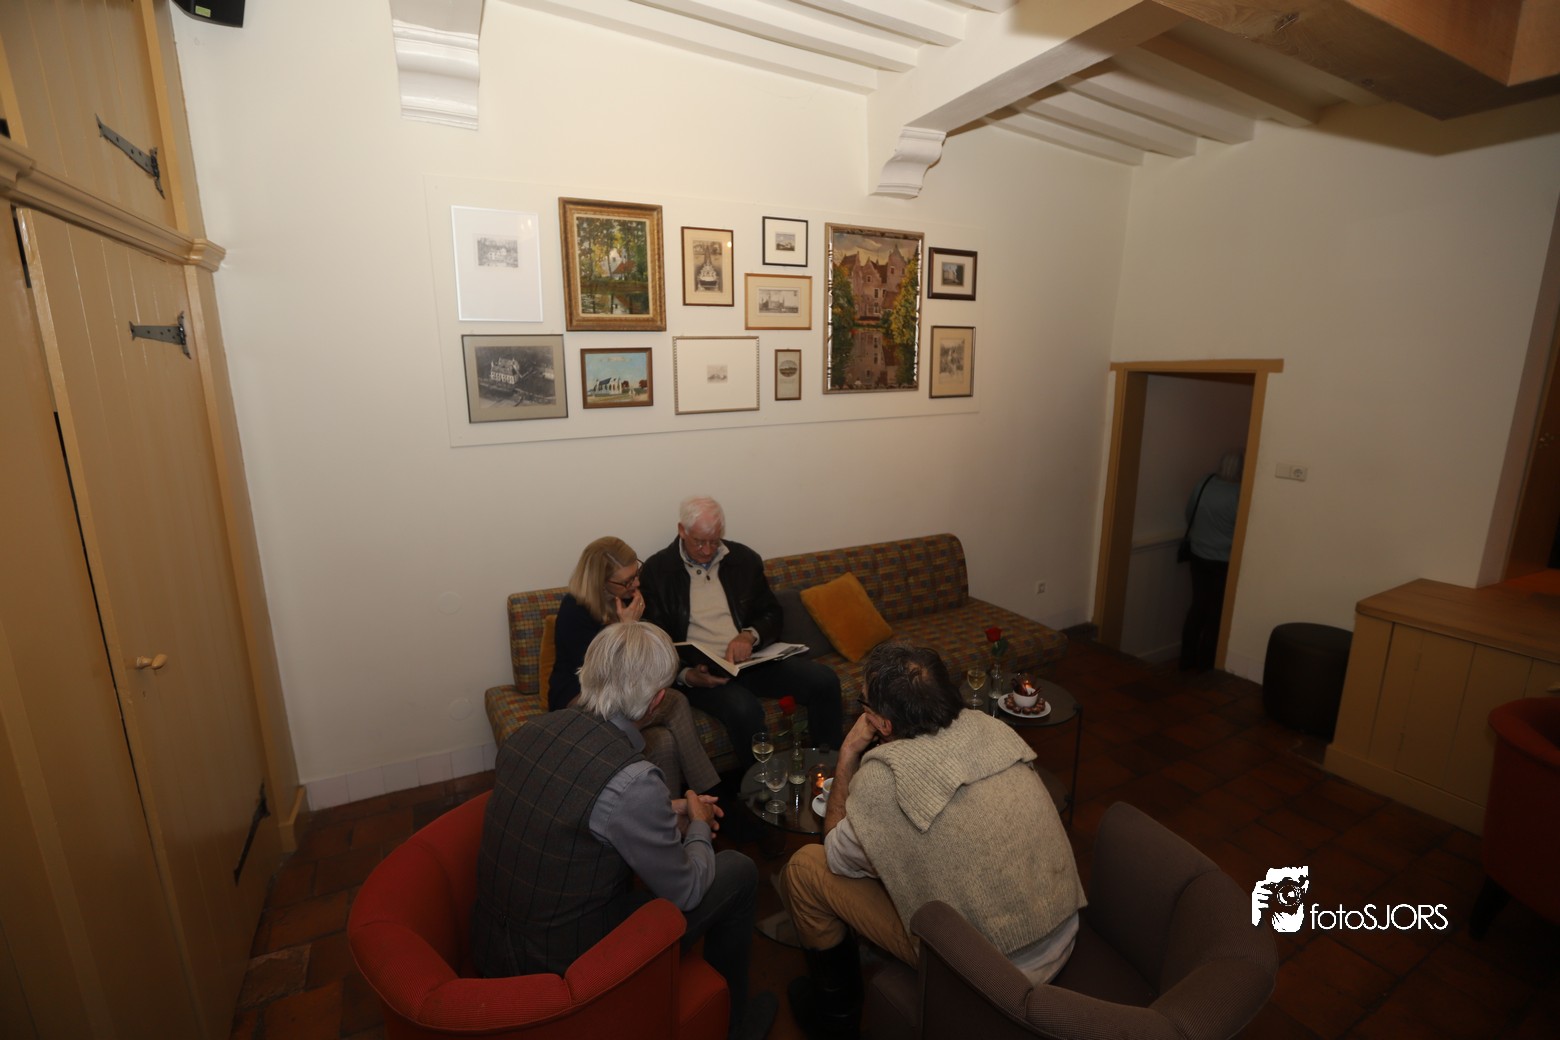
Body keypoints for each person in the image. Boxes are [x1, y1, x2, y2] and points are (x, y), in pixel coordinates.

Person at [472, 621, 777, 1040]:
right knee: (738, 872)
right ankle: (733, 1027)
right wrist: (698, 825)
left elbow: (579, 810)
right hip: (568, 969)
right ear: (656, 700)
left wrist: (666, 810)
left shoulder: (528, 733)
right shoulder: (633, 780)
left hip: (494, 947)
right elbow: (686, 892)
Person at [777, 641, 1085, 1039]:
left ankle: (836, 1018)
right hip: (1062, 926)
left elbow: (835, 853)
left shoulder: (883, 781)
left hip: (999, 973)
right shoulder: (992, 728)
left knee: (805, 868)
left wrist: (849, 752)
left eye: (864, 704)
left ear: (882, 723)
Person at [640, 496, 844, 772]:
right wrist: (685, 675)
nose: (707, 550)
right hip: (703, 672)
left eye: (714, 541)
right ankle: (762, 786)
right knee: (744, 709)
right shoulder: (657, 572)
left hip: (751, 662)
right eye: (699, 542)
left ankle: (829, 771)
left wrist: (749, 636)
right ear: (681, 531)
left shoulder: (744, 560)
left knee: (824, 680)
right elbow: (654, 638)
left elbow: (772, 613)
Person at [549, 536, 720, 796]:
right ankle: (710, 794)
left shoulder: (631, 598)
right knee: (675, 701)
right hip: (583, 698)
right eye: (627, 581)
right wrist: (626, 629)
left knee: (664, 742)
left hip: (626, 693)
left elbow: (647, 666)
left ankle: (672, 814)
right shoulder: (574, 610)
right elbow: (600, 676)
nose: (636, 584)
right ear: (600, 581)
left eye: (636, 574)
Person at [1180, 450, 1243, 671]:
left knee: (1198, 606)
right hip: (1224, 560)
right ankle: (1207, 663)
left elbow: (1189, 513)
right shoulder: (1240, 493)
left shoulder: (1205, 482)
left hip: (1198, 553)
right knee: (1217, 612)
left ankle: (1186, 660)